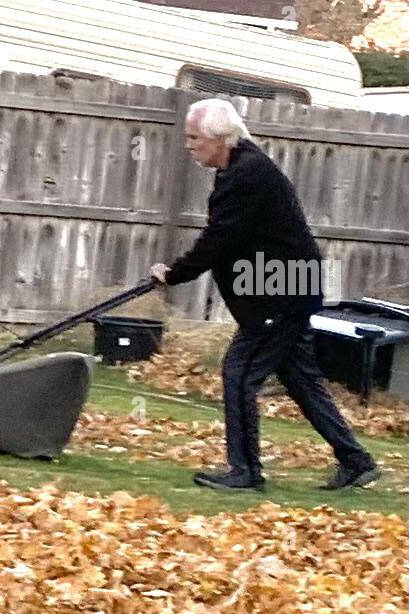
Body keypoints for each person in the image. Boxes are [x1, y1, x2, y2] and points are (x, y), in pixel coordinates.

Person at [150, 98, 379, 492]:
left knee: (239, 373)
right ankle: (356, 461)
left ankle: (246, 472)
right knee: (301, 380)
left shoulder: (247, 175)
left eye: (194, 137)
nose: (188, 145)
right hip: (287, 286)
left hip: (281, 292)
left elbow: (219, 240)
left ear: (220, 138)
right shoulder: (236, 170)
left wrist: (174, 273)